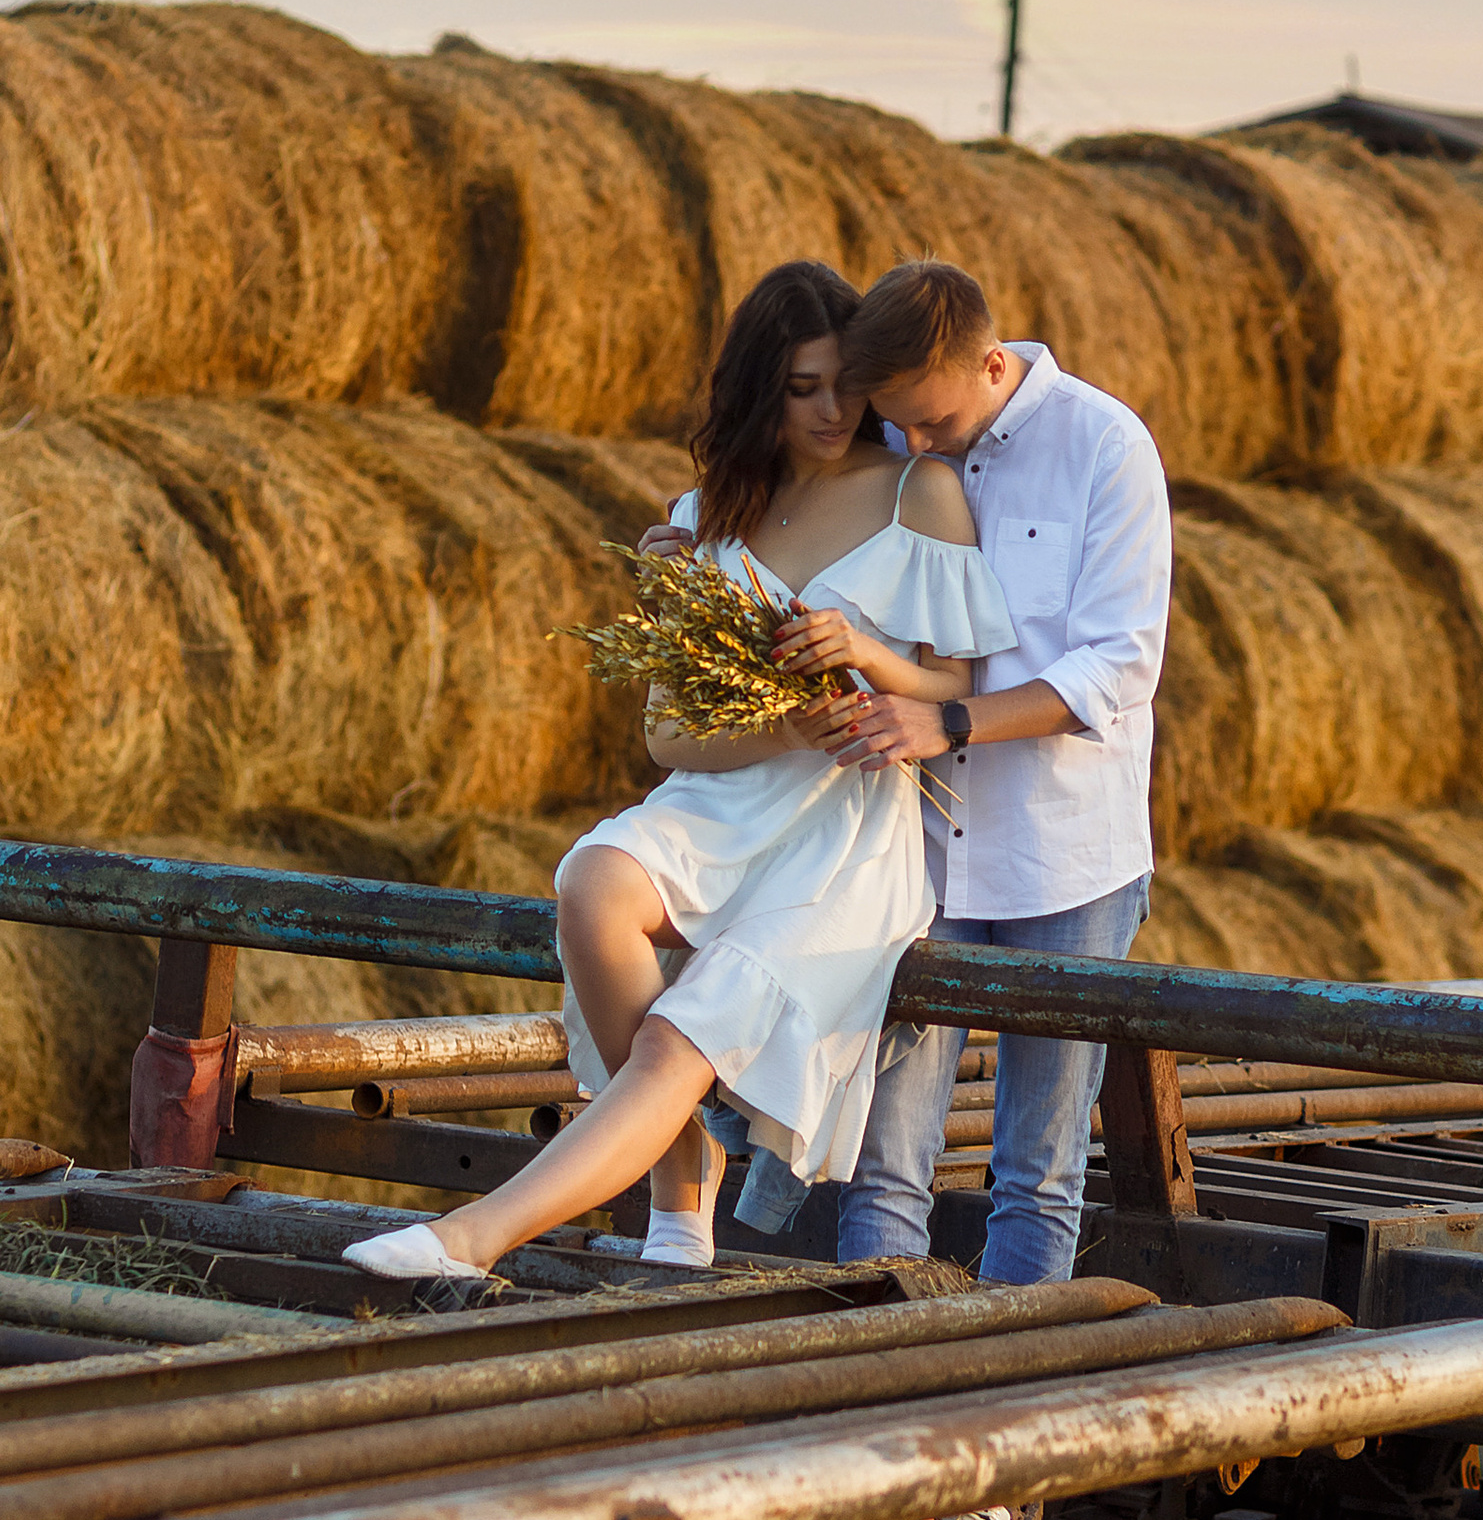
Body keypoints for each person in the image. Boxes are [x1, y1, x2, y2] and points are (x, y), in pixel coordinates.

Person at [345, 260, 1014, 1290]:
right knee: (590, 882)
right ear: (758, 392)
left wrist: (864, 661)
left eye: (845, 384)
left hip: (847, 831)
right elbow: (667, 736)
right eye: (800, 389)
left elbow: (953, 678)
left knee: (682, 1032)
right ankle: (681, 1169)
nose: (832, 410)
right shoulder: (706, 515)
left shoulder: (918, 491)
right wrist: (784, 724)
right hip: (732, 794)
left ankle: (474, 1237)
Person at [808, 259, 1172, 1345]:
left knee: (1038, 1174)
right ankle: (867, 1413)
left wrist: (951, 723)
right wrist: (687, 546)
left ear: (989, 359)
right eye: (898, 426)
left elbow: (1117, 668)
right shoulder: (900, 454)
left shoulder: (1105, 446)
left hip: (1068, 857)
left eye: (932, 420)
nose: (916, 446)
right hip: (914, 848)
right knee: (883, 1161)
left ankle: (995, 1467)